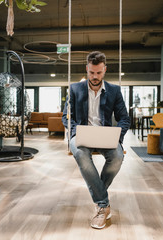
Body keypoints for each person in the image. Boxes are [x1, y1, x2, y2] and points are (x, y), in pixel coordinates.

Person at [62, 51, 130, 229]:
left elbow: (124, 118)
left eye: (98, 73)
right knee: (82, 155)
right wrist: (76, 132)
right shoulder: (75, 89)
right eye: (91, 72)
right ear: (87, 69)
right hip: (81, 135)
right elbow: (66, 117)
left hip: (105, 135)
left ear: (105, 70)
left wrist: (117, 137)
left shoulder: (114, 91)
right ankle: (103, 205)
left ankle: (100, 196)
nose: (95, 76)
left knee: (117, 157)